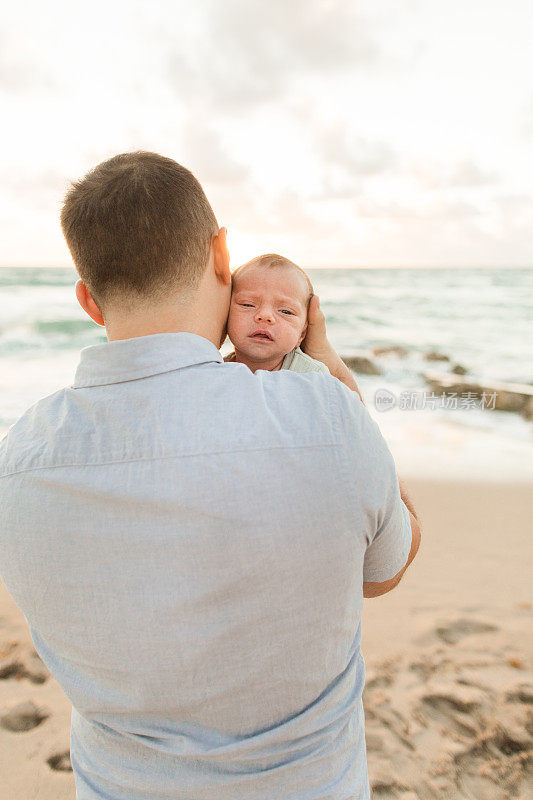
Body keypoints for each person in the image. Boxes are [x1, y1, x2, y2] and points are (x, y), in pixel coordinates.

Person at [0, 151, 421, 800]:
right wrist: (335, 382)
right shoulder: (324, 419)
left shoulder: (17, 467)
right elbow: (385, 568)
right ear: (221, 256)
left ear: (88, 300)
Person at [223, 253, 330, 376]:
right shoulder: (216, 372)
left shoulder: (313, 376)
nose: (265, 316)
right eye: (248, 304)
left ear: (302, 333)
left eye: (286, 311)